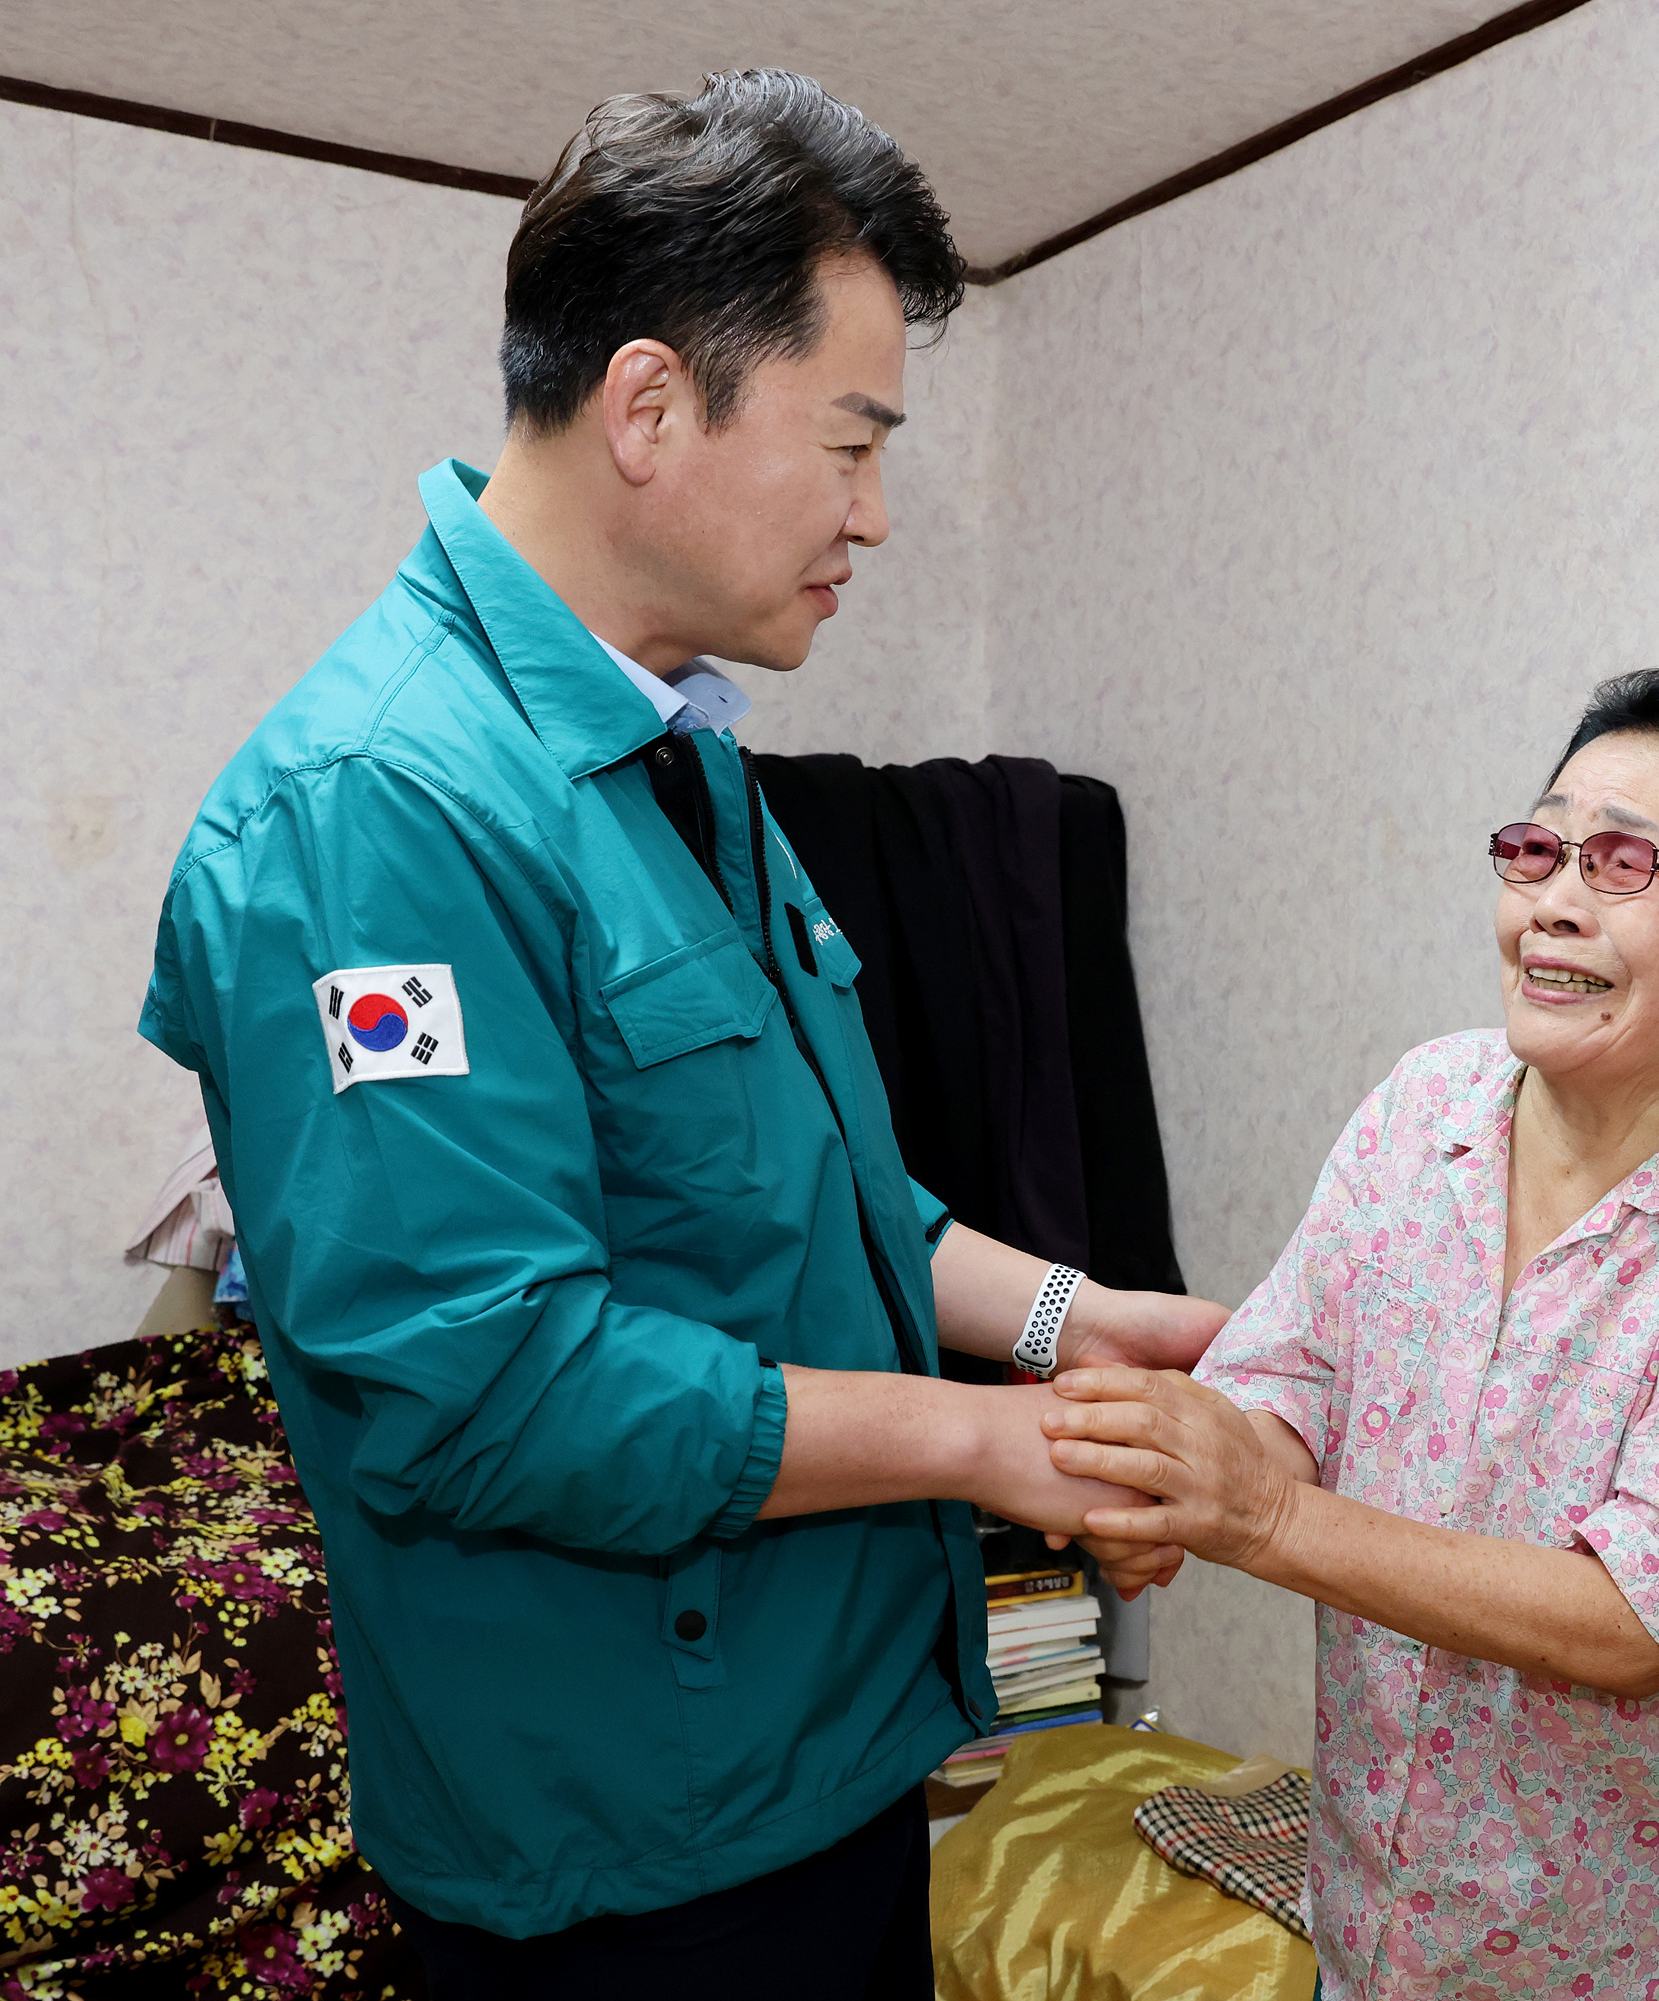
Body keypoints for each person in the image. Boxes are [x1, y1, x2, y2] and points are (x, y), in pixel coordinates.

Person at [136, 73, 1223, 1999]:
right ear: (650, 406)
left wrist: (1067, 1318)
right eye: (856, 443)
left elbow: (806, 1183)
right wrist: (995, 1443)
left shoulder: (673, 745)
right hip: (630, 1843)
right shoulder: (379, 807)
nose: (879, 516)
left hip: (819, 1753)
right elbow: (492, 1385)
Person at [1045, 669, 1659, 2000]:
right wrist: (1181, 1474)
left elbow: (1640, 1622)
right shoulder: (1423, 1101)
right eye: (1540, 846)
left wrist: (1257, 1512)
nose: (1552, 897)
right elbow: (1288, 1374)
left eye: (1624, 862)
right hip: (1390, 1928)